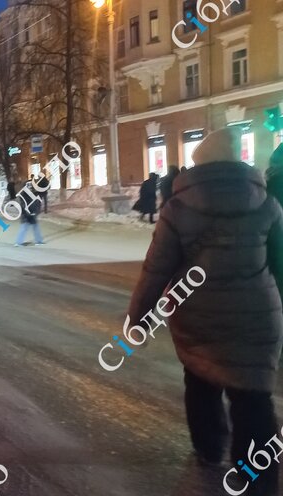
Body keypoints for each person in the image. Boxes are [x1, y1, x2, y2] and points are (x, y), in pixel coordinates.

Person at [127, 128, 283, 494]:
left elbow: (156, 271)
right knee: (254, 395)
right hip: (259, 317)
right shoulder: (265, 202)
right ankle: (258, 481)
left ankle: (210, 449)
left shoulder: (178, 208)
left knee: (201, 379)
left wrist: (139, 319)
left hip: (198, 318)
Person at [14, 180, 44, 246]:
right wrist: (27, 212)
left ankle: (39, 241)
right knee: (24, 228)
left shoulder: (34, 193)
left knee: (36, 227)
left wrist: (36, 211)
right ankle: (18, 242)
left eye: (31, 185)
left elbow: (37, 203)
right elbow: (23, 204)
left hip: (32, 214)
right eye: (28, 186)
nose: (30, 187)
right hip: (26, 215)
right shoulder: (23, 194)